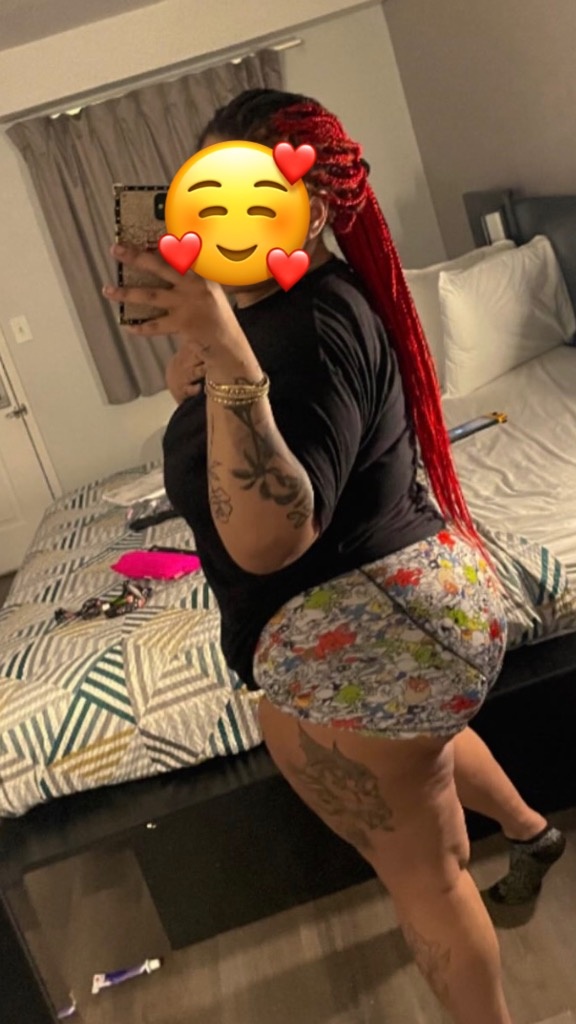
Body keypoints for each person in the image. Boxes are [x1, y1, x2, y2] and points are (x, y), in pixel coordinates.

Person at [104, 88, 565, 1024]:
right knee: (422, 740)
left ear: (308, 209)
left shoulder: (307, 326)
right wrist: (206, 369)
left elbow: (271, 540)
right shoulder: (298, 306)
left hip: (374, 634)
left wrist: (228, 357)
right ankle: (530, 831)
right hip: (418, 613)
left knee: (428, 876)